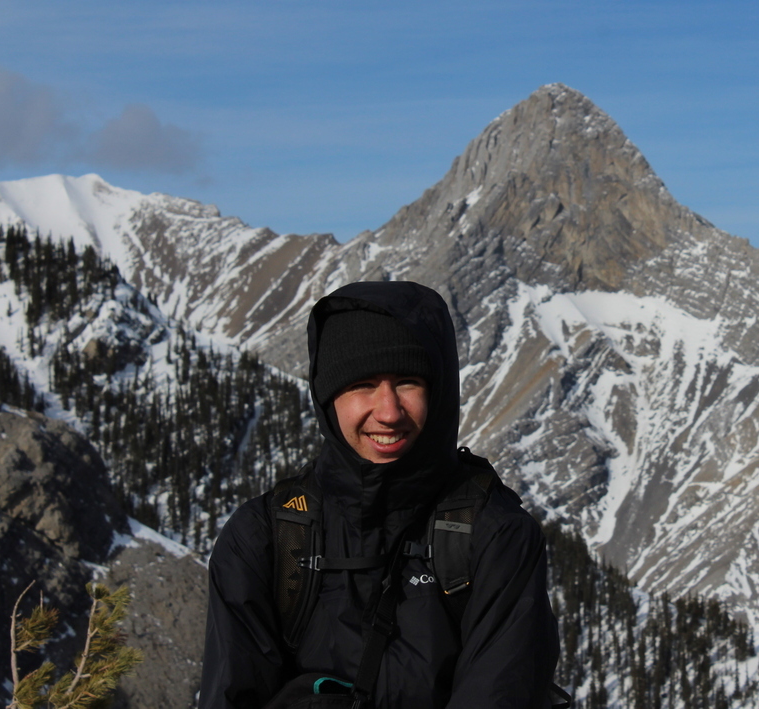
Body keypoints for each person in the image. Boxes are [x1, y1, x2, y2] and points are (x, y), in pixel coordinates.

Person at [201, 280, 559, 708]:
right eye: (363, 384)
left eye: (407, 382)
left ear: (437, 392)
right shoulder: (265, 538)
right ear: (328, 397)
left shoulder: (496, 536)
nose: (388, 412)